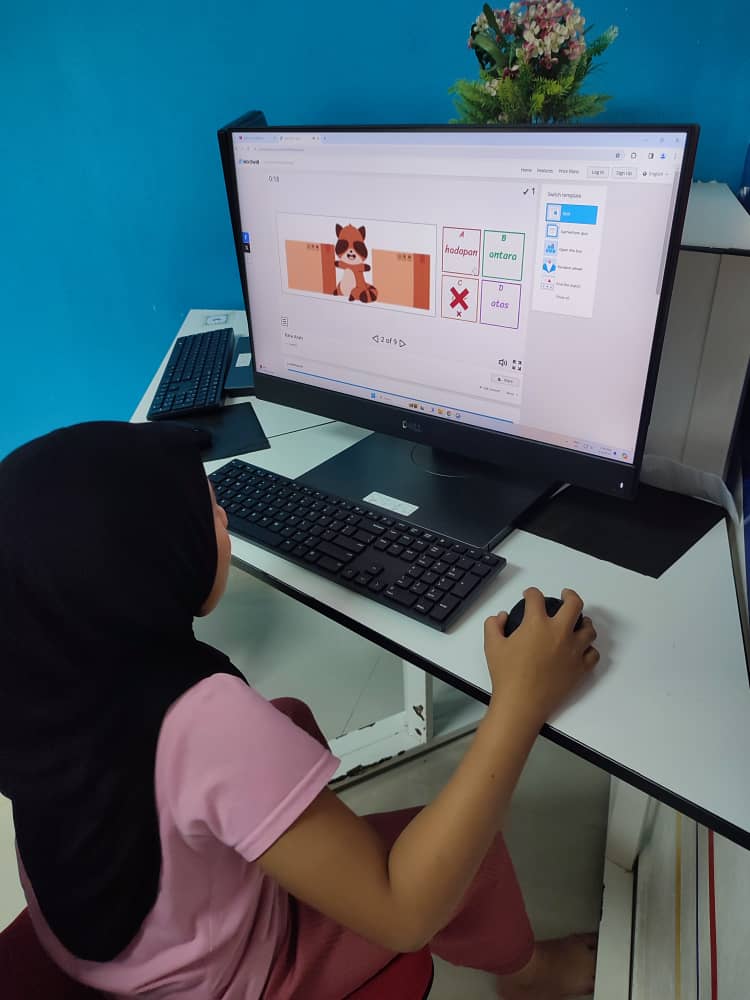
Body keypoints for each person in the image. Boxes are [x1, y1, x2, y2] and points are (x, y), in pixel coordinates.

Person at [0, 420, 600, 1000]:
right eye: (209, 510)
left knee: (286, 717)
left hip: (112, 952)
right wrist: (520, 702)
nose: (224, 518)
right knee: (471, 858)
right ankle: (531, 975)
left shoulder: (39, 666)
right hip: (224, 981)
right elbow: (404, 915)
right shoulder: (206, 720)